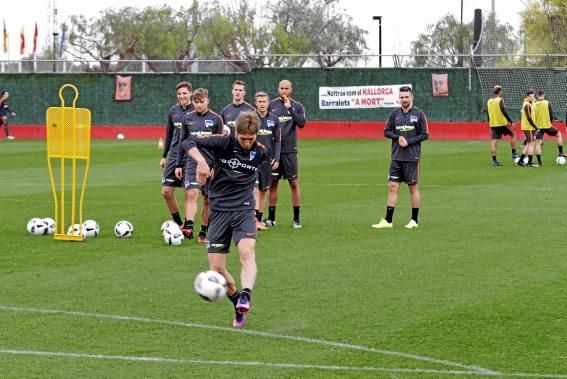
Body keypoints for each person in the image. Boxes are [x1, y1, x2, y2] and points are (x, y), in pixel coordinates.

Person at [182, 111, 269, 328]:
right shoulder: (223, 142)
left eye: (251, 138)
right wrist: (202, 162)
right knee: (217, 269)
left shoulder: (260, 152)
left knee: (247, 253)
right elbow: (188, 141)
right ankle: (237, 304)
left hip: (244, 210)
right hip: (219, 211)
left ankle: (246, 296)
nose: (247, 143)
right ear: (236, 133)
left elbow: (264, 179)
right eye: (243, 138)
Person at [372, 86, 429, 229]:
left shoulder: (419, 114)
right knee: (392, 187)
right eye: (402, 97)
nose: (404, 99)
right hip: (396, 156)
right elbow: (386, 131)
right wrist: (398, 138)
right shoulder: (394, 114)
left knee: (413, 188)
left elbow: (425, 134)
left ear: (412, 97)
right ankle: (388, 221)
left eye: (406, 97)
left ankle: (414, 221)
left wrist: (409, 142)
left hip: (412, 157)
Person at [175, 88, 223, 243]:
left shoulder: (216, 119)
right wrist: (178, 165)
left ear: (207, 101)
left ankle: (203, 231)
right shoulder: (187, 119)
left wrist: (216, 167)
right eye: (196, 102)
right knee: (191, 193)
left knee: (208, 200)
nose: (199, 105)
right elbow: (183, 142)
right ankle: (188, 226)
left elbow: (220, 146)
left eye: (202, 102)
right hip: (192, 163)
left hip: (211, 164)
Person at [266, 79, 306, 229]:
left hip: (290, 151)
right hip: (274, 152)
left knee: (294, 183)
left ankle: (296, 219)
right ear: (278, 89)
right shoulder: (271, 105)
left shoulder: (297, 106)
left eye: (286, 88)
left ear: (291, 90)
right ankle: (271, 218)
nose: (284, 91)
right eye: (281, 88)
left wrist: (290, 109)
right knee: (273, 184)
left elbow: (301, 123)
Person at [160, 81, 194, 228]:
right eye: (179, 94)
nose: (182, 96)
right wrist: (164, 155)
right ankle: (178, 222)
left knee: (188, 192)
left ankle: (188, 225)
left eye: (185, 93)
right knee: (166, 191)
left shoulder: (196, 111)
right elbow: (169, 134)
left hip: (190, 156)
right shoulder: (173, 111)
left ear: (190, 93)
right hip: (174, 155)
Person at [253, 91, 281, 230]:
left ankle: (258, 219)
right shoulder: (251, 118)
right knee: (255, 190)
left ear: (268, 103)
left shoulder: (274, 119)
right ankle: (253, 220)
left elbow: (277, 141)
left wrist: (276, 157)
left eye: (264, 101)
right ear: (256, 103)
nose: (262, 104)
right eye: (260, 102)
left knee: (264, 191)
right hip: (252, 159)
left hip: (267, 160)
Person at [486, 85, 519, 166]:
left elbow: (487, 112)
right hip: (501, 123)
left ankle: (494, 161)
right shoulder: (500, 100)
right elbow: (504, 111)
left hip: (493, 124)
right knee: (514, 134)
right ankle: (514, 153)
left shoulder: (489, 101)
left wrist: (490, 122)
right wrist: (511, 121)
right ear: (500, 91)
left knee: (494, 141)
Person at [533, 89, 564, 165]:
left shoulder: (534, 104)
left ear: (537, 96)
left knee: (538, 143)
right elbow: (551, 115)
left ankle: (540, 161)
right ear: (544, 95)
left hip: (537, 127)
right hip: (547, 125)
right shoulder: (547, 103)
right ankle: (561, 153)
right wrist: (551, 123)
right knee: (558, 134)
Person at [516, 90, 539, 167]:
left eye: (533, 96)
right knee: (531, 144)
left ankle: (520, 160)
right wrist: (536, 127)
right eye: (530, 96)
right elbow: (529, 118)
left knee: (528, 144)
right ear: (527, 96)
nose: (532, 98)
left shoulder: (528, 103)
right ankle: (529, 162)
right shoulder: (527, 105)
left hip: (528, 127)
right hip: (529, 127)